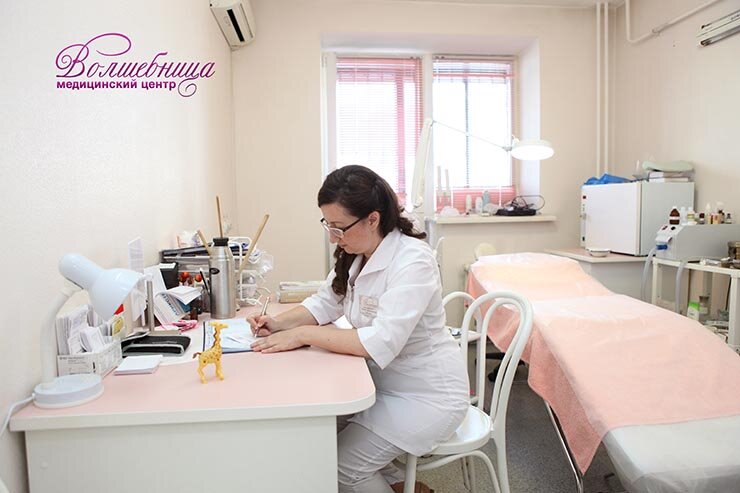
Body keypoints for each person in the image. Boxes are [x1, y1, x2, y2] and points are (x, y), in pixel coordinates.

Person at [249, 165, 469, 493]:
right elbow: (325, 302)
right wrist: (279, 323)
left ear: (372, 219)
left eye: (339, 228)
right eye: (327, 225)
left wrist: (302, 334)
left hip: (426, 397)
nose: (332, 237)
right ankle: (397, 484)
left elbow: (380, 341)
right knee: (311, 434)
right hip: (379, 385)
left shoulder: (413, 261)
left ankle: (387, 482)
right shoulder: (356, 253)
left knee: (341, 469)